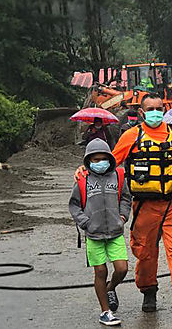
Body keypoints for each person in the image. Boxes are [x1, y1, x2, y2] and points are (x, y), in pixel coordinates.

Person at [110, 93, 172, 322]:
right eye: (151, 109)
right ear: (143, 113)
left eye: (159, 108)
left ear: (164, 110)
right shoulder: (131, 136)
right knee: (145, 253)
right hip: (144, 205)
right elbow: (109, 162)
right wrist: (85, 171)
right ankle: (148, 290)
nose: (155, 112)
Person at [68, 139, 131, 326]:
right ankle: (105, 311)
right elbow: (74, 205)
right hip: (94, 235)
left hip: (115, 232)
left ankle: (110, 288)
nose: (100, 162)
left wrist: (123, 217)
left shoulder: (118, 176)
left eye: (103, 159)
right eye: (95, 160)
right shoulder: (82, 180)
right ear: (88, 160)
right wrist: (85, 223)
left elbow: (126, 198)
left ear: (110, 159)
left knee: (122, 269)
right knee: (101, 271)